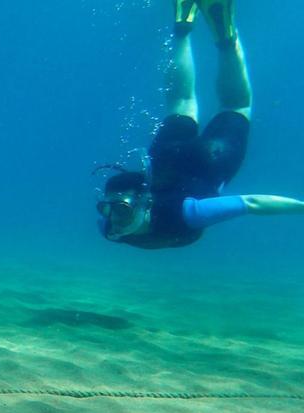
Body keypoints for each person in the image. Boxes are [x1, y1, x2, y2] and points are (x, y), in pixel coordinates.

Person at [96, 0, 304, 249]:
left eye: (120, 210)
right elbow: (251, 203)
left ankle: (225, 39)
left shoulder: (188, 214)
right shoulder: (108, 228)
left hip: (209, 161)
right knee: (180, 103)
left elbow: (252, 203)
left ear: (145, 203)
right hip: (168, 156)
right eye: (106, 209)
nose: (113, 219)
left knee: (234, 105)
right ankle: (184, 30)